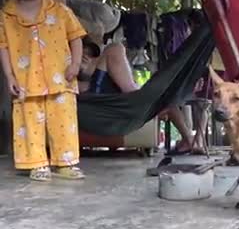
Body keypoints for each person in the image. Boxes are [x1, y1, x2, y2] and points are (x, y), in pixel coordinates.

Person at [0, 0, 85, 181]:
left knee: (64, 122)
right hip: (26, 82)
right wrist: (9, 77)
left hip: (61, 79)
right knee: (28, 122)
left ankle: (66, 163)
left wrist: (75, 64)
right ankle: (36, 164)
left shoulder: (60, 11)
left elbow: (76, 37)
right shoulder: (6, 16)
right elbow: (4, 47)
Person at [78, 36, 207, 155]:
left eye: (89, 53)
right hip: (97, 106)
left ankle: (188, 139)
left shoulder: (99, 70)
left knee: (166, 96)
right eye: (82, 51)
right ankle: (144, 98)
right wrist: (77, 68)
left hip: (116, 103)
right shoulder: (66, 69)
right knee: (115, 48)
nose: (86, 56)